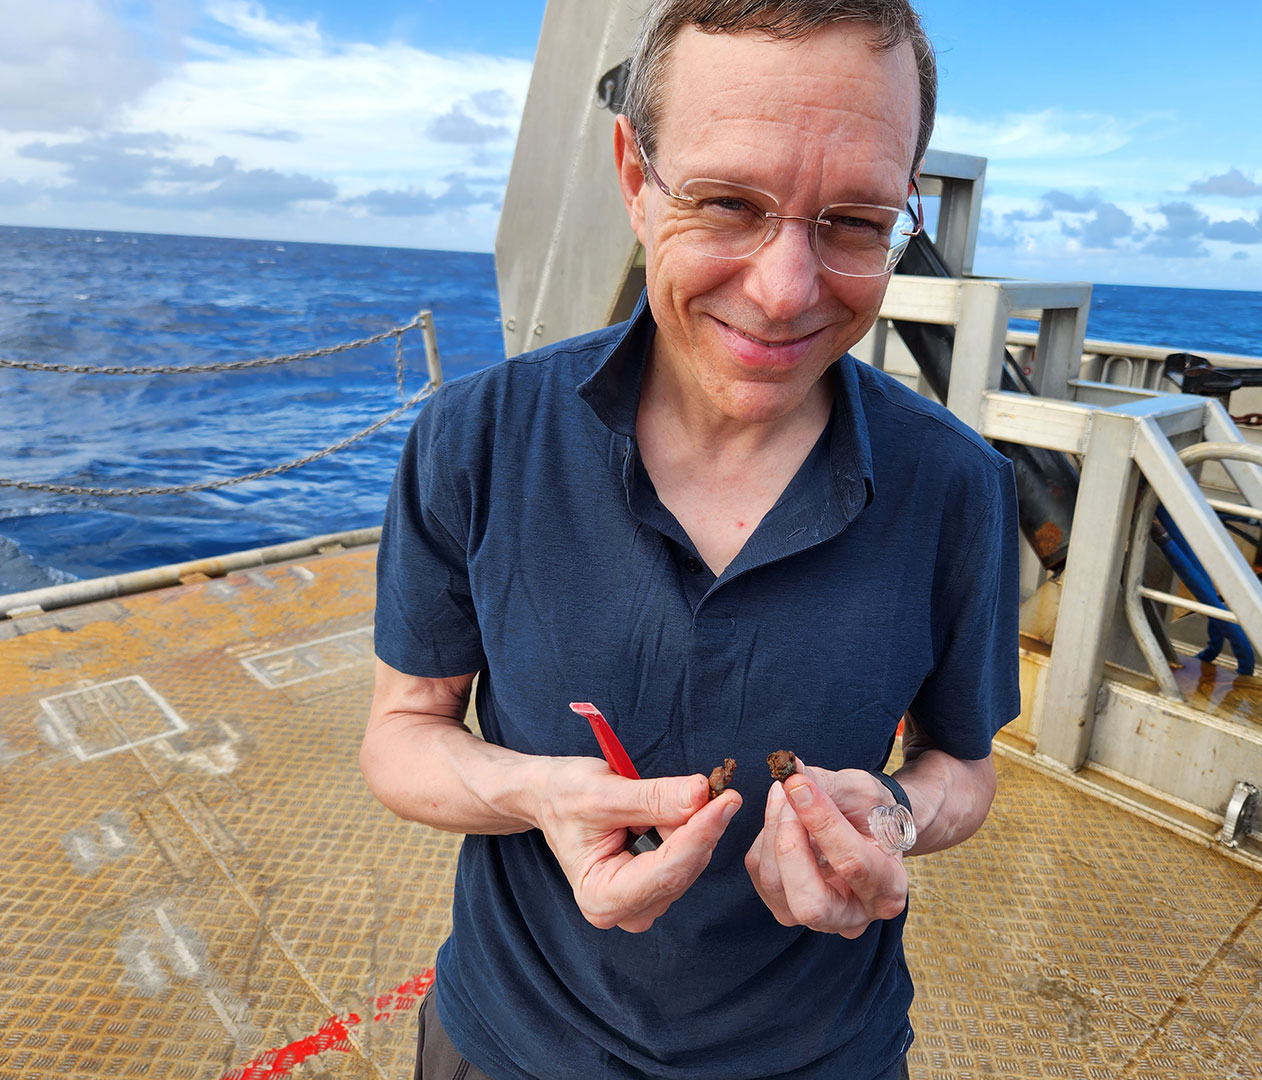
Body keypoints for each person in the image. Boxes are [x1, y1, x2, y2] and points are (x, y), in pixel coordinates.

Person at [360, 1, 1019, 1077]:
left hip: (824, 1055)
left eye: (854, 223)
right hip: (510, 1042)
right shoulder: (474, 438)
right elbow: (402, 730)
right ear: (634, 175)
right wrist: (537, 792)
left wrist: (895, 816)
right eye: (725, 202)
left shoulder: (956, 485)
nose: (784, 292)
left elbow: (965, 768)